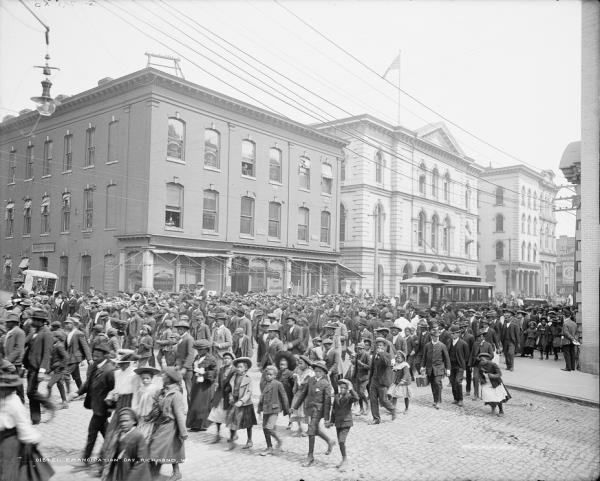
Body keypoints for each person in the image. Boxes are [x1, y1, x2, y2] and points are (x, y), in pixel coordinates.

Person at [0, 364, 54, 481]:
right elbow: (23, 426)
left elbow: (23, 425)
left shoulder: (11, 402)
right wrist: (34, 439)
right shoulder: (14, 402)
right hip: (11, 443)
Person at [71, 342, 115, 470]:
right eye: (94, 355)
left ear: (105, 356)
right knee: (106, 433)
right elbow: (88, 383)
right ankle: (113, 452)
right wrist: (77, 392)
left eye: (98, 355)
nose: (95, 357)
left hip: (102, 408)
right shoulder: (96, 366)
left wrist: (110, 407)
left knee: (92, 433)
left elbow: (113, 390)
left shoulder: (109, 371)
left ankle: (85, 460)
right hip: (96, 406)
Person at [291, 360, 335, 467]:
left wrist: (326, 418)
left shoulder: (326, 384)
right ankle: (329, 441)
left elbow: (328, 402)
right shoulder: (310, 380)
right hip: (309, 408)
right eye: (316, 371)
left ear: (324, 373)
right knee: (315, 429)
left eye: (320, 371)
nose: (317, 373)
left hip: (318, 411)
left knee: (311, 430)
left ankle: (310, 456)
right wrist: (295, 407)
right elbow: (303, 394)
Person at [148, 367, 187, 481]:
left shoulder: (176, 395)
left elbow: (179, 414)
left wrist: (183, 432)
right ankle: (175, 472)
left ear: (170, 378)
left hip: (171, 426)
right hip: (160, 423)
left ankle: (155, 472)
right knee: (169, 449)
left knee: (158, 448)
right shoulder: (162, 392)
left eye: (164, 375)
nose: (162, 377)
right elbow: (156, 405)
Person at [23, 309, 55, 424]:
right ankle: (35, 419)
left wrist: (42, 371)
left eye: (35, 319)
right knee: (32, 393)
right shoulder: (34, 331)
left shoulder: (47, 333)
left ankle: (49, 405)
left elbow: (47, 353)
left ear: (41, 321)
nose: (32, 321)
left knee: (30, 392)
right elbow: (25, 343)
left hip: (37, 368)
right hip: (30, 366)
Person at [101, 407, 151, 481]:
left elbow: (142, 460)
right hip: (120, 469)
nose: (123, 424)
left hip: (133, 472)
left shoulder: (138, 436)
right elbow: (112, 453)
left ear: (134, 421)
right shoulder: (118, 434)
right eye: (121, 421)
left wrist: (132, 476)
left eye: (126, 421)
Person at [326, 378, 358, 472]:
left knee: (341, 441)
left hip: (346, 423)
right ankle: (343, 460)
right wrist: (331, 421)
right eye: (341, 388)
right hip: (338, 423)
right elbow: (334, 410)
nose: (342, 389)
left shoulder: (349, 397)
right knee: (341, 443)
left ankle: (345, 460)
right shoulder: (336, 396)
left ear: (347, 389)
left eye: (344, 388)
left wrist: (351, 389)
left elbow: (356, 398)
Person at [257, 365, 289, 456]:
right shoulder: (264, 384)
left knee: (269, 427)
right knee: (264, 429)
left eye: (271, 375)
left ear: (275, 375)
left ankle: (279, 441)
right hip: (266, 409)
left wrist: (287, 409)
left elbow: (284, 396)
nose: (268, 376)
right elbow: (262, 397)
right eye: (267, 374)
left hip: (274, 409)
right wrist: (259, 408)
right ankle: (269, 447)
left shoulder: (278, 384)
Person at [226, 356, 256, 450]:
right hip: (234, 402)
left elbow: (249, 392)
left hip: (245, 404)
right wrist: (230, 396)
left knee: (248, 423)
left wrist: (242, 401)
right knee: (232, 420)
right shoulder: (234, 377)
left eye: (241, 367)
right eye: (237, 367)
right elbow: (229, 388)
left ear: (245, 369)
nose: (238, 369)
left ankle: (249, 440)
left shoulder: (248, 378)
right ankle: (232, 440)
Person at [186, 339, 217, 432]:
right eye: (197, 350)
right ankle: (194, 423)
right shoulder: (197, 357)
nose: (198, 351)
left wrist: (205, 373)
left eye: (200, 350)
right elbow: (193, 367)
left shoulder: (211, 359)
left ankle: (201, 424)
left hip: (205, 385)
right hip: (197, 383)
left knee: (202, 404)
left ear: (206, 349)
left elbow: (215, 372)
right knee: (194, 402)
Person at [207, 351, 235, 444]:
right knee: (217, 416)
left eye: (228, 358)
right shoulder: (221, 369)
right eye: (224, 358)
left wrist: (231, 393)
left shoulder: (234, 370)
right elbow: (218, 382)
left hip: (229, 396)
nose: (226, 360)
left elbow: (235, 384)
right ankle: (218, 435)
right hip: (220, 395)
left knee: (230, 417)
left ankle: (232, 436)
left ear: (232, 360)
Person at [421, 327, 451, 409]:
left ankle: (438, 401)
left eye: (437, 336)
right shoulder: (427, 346)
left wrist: (448, 369)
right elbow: (424, 357)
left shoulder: (442, 346)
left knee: (437, 383)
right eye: (434, 336)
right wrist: (422, 366)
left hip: (439, 368)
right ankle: (435, 400)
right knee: (433, 384)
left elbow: (447, 358)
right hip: (430, 368)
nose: (436, 338)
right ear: (431, 337)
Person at [368, 337, 396, 424]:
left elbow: (387, 363)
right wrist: (370, 381)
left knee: (383, 400)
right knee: (373, 400)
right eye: (377, 345)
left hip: (382, 382)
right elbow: (372, 368)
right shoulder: (374, 356)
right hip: (374, 381)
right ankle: (376, 419)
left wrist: (382, 354)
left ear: (384, 347)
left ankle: (392, 409)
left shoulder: (387, 355)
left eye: (381, 345)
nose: (379, 347)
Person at [131, 366, 161, 441]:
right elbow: (138, 401)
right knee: (141, 428)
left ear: (151, 378)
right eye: (143, 378)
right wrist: (137, 410)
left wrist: (154, 411)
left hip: (150, 412)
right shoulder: (140, 389)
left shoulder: (155, 388)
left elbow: (157, 401)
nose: (145, 380)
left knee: (149, 430)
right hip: (142, 413)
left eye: (147, 378)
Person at [64, 316, 92, 395]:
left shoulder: (78, 333)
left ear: (73, 324)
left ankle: (68, 393)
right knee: (76, 377)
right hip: (70, 358)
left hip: (76, 358)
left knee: (65, 374)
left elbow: (85, 346)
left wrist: (89, 358)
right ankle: (82, 392)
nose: (66, 325)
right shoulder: (69, 333)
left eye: (68, 324)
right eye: (66, 324)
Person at [3, 312, 26, 402]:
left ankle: (21, 403)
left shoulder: (19, 332)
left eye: (8, 322)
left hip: (15, 364)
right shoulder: (10, 332)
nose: (6, 323)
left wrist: (7, 361)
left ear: (14, 322)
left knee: (18, 387)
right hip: (9, 363)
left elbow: (18, 349)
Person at [290, 355, 314, 437]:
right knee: (297, 412)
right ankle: (300, 429)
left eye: (301, 363)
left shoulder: (310, 373)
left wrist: (298, 379)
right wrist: (295, 385)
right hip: (298, 394)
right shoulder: (298, 371)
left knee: (305, 413)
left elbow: (304, 385)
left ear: (306, 364)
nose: (299, 365)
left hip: (306, 395)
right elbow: (296, 385)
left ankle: (309, 430)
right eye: (298, 363)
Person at [173, 318, 195, 404]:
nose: (179, 330)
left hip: (187, 369)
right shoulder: (181, 338)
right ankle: (179, 406)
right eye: (178, 328)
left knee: (189, 389)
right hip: (179, 367)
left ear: (186, 329)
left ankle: (191, 410)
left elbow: (190, 354)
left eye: (181, 328)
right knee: (178, 387)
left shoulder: (189, 339)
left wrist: (185, 368)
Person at [448, 325, 469, 407]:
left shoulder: (463, 343)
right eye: (451, 333)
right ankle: (455, 398)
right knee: (453, 382)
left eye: (454, 333)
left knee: (458, 381)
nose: (452, 335)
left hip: (460, 366)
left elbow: (466, 356)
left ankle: (460, 399)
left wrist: (463, 364)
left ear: (458, 334)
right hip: (451, 365)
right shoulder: (449, 342)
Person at [349, 342, 370, 415]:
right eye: (358, 348)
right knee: (358, 393)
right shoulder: (357, 355)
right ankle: (361, 409)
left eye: (360, 349)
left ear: (363, 349)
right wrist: (353, 361)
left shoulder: (367, 355)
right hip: (358, 376)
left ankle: (367, 405)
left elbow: (370, 366)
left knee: (361, 392)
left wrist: (362, 364)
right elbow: (355, 365)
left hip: (365, 377)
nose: (359, 350)